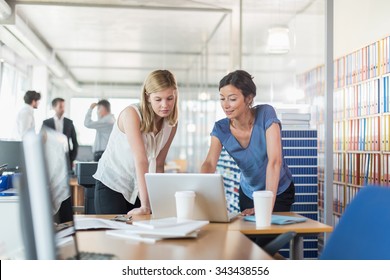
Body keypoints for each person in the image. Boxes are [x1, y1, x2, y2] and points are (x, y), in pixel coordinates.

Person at [201, 70, 295, 215]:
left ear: (249, 98)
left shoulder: (266, 114)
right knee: (248, 237)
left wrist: (265, 207)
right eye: (222, 98)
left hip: (278, 192)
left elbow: (275, 162)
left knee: (267, 237)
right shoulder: (221, 128)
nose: (226, 105)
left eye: (232, 99)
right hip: (248, 193)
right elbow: (209, 163)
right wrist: (199, 192)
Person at [93, 70, 178, 215]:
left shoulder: (172, 123)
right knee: (115, 235)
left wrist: (157, 203)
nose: (165, 105)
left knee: (141, 235)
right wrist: (145, 206)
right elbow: (141, 160)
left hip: (140, 189)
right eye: (158, 99)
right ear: (147, 96)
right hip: (112, 185)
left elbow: (158, 164)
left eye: (170, 98)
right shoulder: (131, 114)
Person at [43, 98, 79, 169]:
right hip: (50, 158)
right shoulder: (46, 123)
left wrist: (71, 158)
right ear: (54, 107)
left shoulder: (69, 123)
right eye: (60, 106)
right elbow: (43, 141)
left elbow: (75, 142)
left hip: (66, 158)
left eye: (63, 106)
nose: (63, 109)